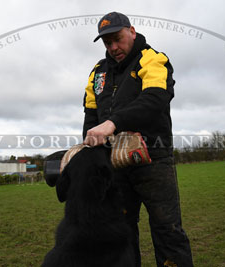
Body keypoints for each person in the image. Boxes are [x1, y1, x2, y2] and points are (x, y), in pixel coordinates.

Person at [82, 12, 193, 267]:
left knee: (168, 231)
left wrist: (112, 123)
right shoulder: (97, 73)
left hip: (153, 160)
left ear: (132, 31)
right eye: (107, 43)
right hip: (115, 165)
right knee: (120, 232)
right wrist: (91, 155)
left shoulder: (153, 59)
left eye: (117, 39)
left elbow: (155, 99)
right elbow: (90, 117)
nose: (113, 48)